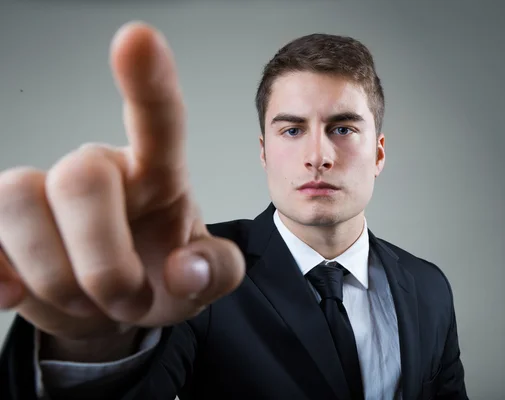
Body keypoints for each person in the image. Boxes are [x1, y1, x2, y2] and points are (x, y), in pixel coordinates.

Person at [0, 21, 468, 400]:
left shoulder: (429, 287)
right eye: (292, 130)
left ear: (379, 154)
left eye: (343, 129)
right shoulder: (194, 273)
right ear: (264, 151)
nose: (318, 155)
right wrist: (92, 347)